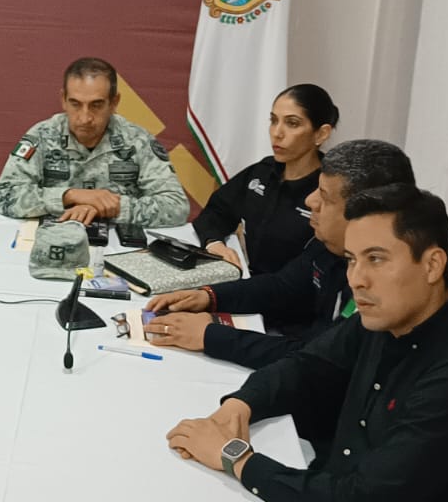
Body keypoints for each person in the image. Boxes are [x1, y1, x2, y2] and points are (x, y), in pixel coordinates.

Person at [164, 185, 448, 501]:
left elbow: (363, 496)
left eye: (376, 259)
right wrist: (243, 404)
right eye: (353, 260)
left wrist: (235, 458)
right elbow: (306, 365)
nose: (357, 279)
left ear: (432, 265)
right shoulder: (388, 318)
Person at [142, 140, 416, 369]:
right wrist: (209, 296)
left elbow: (317, 358)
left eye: (324, 196)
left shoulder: (382, 286)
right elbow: (282, 286)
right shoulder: (330, 245)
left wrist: (210, 336)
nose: (310, 201)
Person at [0, 57, 188, 227]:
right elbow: (4, 196)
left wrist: (109, 207)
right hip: (56, 236)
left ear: (114, 102)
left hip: (117, 245)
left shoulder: (137, 140)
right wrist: (69, 196)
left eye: (96, 105)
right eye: (75, 104)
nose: (85, 118)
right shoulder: (42, 135)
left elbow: (177, 206)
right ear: (63, 100)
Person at [191, 84, 338, 276]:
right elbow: (217, 211)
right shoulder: (263, 171)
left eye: (292, 123)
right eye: (273, 120)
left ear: (321, 133)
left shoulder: (330, 189)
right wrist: (214, 243)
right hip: (246, 281)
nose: (277, 133)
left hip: (291, 291)